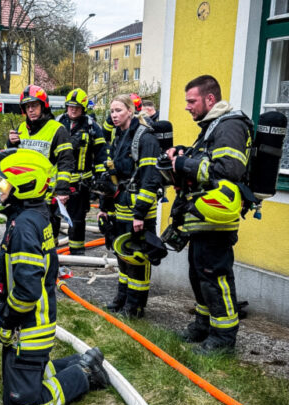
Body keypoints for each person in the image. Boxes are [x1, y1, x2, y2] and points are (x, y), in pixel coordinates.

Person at [0, 148, 110, 405]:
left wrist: (6, 321)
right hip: (33, 324)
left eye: (4, 183)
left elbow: (27, 291)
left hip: (27, 328)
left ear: (24, 185)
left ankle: (85, 374)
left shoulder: (23, 227)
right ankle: (80, 361)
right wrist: (0, 290)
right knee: (17, 382)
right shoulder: (32, 216)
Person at [165, 75, 252, 354]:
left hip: (216, 220)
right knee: (199, 275)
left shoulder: (230, 126)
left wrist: (184, 163)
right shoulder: (212, 126)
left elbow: (228, 169)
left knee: (216, 278)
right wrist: (182, 154)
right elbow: (205, 161)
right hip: (201, 219)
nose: (187, 106)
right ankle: (203, 326)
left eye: (192, 101)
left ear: (210, 99)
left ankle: (223, 339)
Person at [97, 94, 163, 318]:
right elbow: (112, 175)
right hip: (121, 207)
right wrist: (104, 207)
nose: (114, 115)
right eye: (112, 111)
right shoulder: (119, 136)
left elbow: (150, 179)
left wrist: (140, 215)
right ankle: (122, 298)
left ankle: (135, 307)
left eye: (119, 110)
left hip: (139, 212)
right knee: (123, 255)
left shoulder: (145, 138)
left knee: (138, 259)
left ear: (131, 111)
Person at [7, 84, 74, 240]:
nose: (31, 110)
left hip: (47, 196)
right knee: (19, 236)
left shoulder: (57, 130)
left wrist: (62, 190)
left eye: (34, 105)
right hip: (22, 194)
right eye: (27, 106)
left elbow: (66, 161)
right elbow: (12, 160)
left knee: (46, 239)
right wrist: (10, 144)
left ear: (43, 106)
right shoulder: (21, 129)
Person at [56, 88, 107, 255]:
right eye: (70, 106)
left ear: (83, 108)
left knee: (77, 219)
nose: (72, 109)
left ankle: (77, 252)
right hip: (58, 181)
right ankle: (50, 250)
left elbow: (100, 155)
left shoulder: (92, 127)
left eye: (76, 107)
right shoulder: (57, 123)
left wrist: (99, 180)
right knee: (52, 217)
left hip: (81, 182)